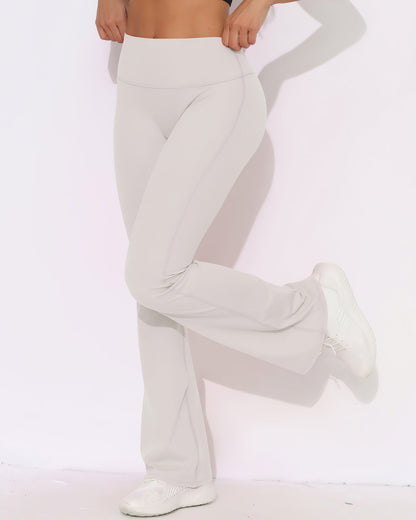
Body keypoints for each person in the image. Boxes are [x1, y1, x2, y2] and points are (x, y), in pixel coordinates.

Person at [95, 0, 377, 516]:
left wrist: (261, 2)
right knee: (154, 292)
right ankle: (177, 474)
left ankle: (313, 310)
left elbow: (350, 19)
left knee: (153, 276)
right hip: (135, 81)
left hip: (213, 84)